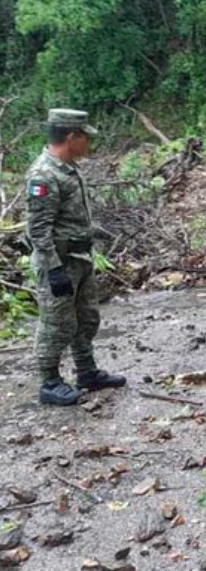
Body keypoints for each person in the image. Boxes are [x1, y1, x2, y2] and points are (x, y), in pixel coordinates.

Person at [25, 109, 126, 406]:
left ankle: (86, 372)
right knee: (56, 323)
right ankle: (50, 382)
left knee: (87, 319)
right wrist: (53, 268)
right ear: (72, 137)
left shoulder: (69, 168)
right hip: (59, 262)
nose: (89, 144)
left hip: (79, 258)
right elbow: (38, 229)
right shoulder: (44, 174)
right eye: (86, 137)